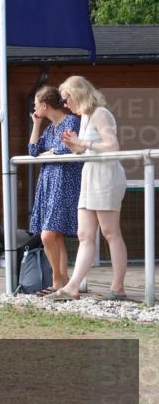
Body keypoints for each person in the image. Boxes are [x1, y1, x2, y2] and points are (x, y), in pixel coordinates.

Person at [50, 76, 128, 301]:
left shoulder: (100, 113)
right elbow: (86, 150)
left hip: (106, 176)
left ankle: (118, 287)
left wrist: (83, 143)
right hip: (90, 176)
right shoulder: (84, 117)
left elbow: (112, 145)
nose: (65, 104)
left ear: (77, 94)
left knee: (110, 232)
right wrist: (74, 145)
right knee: (84, 234)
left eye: (66, 98)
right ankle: (72, 287)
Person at [27, 85, 82, 294]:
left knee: (47, 235)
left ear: (45, 105)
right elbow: (33, 150)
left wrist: (50, 153)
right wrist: (36, 124)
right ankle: (62, 282)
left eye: (36, 105)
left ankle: (57, 280)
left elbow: (64, 149)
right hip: (48, 182)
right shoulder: (50, 128)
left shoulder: (71, 121)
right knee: (55, 236)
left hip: (64, 182)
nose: (34, 108)